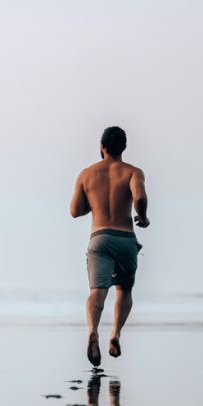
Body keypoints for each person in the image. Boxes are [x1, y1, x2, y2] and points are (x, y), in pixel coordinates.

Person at [69, 126, 149, 366]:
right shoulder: (133, 172)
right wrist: (142, 217)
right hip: (125, 238)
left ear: (102, 147)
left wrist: (95, 202)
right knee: (124, 290)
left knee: (97, 291)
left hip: (99, 238)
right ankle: (115, 334)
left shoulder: (86, 174)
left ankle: (93, 330)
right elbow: (140, 197)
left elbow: (74, 211)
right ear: (123, 147)